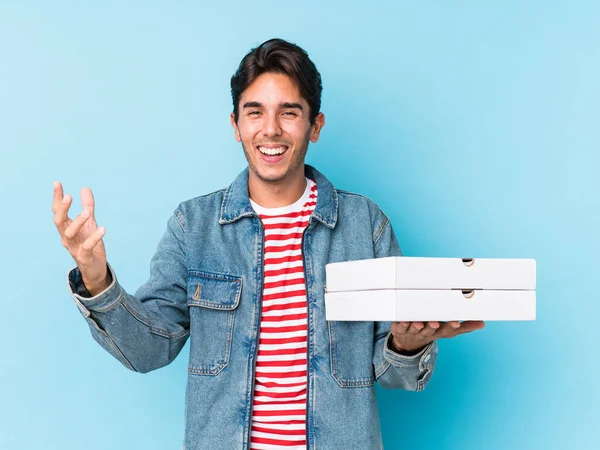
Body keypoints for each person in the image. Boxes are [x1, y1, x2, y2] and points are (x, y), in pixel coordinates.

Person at [52, 38, 484, 450]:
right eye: (254, 112)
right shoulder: (194, 226)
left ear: (315, 126)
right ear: (236, 125)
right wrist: (95, 278)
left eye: (289, 112)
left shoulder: (364, 225)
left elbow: (393, 372)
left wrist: (407, 344)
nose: (271, 130)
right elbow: (148, 350)